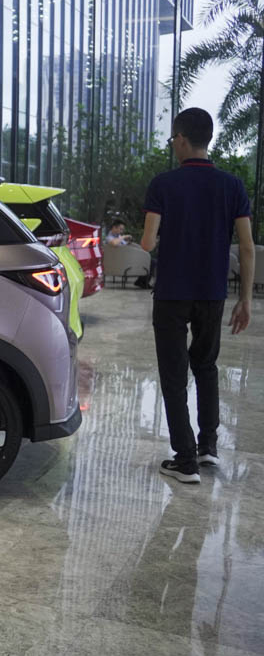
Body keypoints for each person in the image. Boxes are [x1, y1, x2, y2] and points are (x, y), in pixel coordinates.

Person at [141, 107, 254, 484]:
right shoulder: (232, 185)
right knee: (206, 366)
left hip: (172, 293)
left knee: (174, 375)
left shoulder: (163, 184)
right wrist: (245, 300)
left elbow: (147, 242)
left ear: (181, 139)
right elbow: (247, 247)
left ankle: (185, 460)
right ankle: (208, 447)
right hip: (212, 293)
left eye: (173, 139)